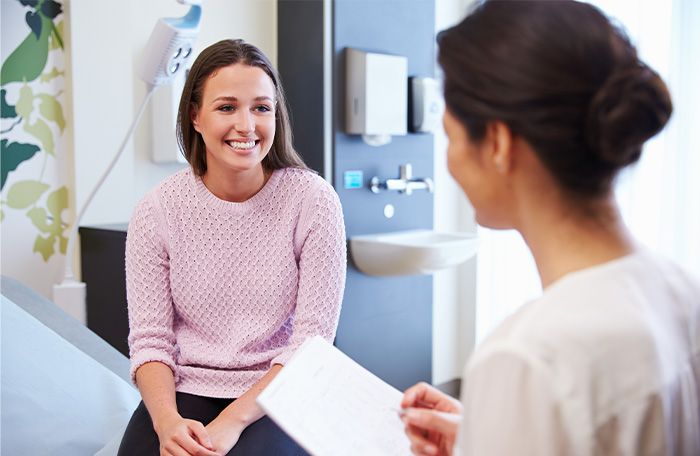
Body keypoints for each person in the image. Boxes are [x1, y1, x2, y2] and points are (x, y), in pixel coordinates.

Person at [400, 1, 700, 455]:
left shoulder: (528, 357)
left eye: (451, 136)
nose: (451, 162)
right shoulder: (679, 291)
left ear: (498, 143)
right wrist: (487, 436)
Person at [118, 39, 346, 456]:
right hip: (186, 387)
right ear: (195, 116)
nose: (247, 126)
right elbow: (151, 340)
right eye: (227, 107)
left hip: (280, 388)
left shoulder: (313, 201)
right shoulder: (157, 211)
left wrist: (231, 423)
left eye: (261, 107)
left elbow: (311, 344)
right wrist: (167, 422)